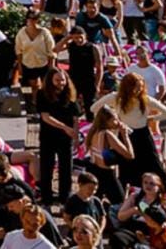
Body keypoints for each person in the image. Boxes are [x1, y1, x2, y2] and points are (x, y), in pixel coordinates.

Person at [92, 72, 166, 190]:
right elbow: (94, 108)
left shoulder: (145, 99)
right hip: (125, 135)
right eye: (136, 87)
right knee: (126, 168)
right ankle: (125, 197)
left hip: (143, 135)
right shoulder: (115, 97)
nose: (138, 90)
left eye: (141, 87)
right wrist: (111, 121)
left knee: (155, 165)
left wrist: (149, 119)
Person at [36, 68, 82, 203]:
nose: (60, 83)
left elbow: (75, 117)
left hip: (65, 138)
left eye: (62, 80)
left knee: (66, 168)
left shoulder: (70, 95)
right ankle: (46, 196)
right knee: (47, 167)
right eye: (57, 80)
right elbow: (45, 117)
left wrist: (75, 134)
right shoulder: (42, 94)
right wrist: (65, 128)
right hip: (48, 136)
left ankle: (64, 196)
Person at [79, 106, 134, 203]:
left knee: (94, 202)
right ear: (106, 121)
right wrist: (125, 136)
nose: (118, 122)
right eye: (115, 120)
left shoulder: (94, 132)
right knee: (120, 204)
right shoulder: (107, 135)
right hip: (107, 174)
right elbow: (129, 155)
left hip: (94, 170)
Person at [14, 12, 55, 92]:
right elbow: (18, 50)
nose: (32, 20)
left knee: (46, 85)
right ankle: (34, 102)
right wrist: (19, 65)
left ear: (38, 20)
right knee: (33, 86)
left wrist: (51, 66)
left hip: (43, 64)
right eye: (30, 18)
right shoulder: (21, 33)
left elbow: (51, 50)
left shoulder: (45, 32)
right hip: (28, 63)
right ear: (27, 19)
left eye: (35, 18)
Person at [65, 24, 101, 110]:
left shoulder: (92, 47)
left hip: (88, 79)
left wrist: (97, 84)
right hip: (74, 78)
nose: (79, 40)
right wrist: (67, 38)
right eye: (76, 37)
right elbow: (56, 49)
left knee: (90, 105)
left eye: (81, 37)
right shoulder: (71, 46)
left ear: (85, 36)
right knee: (72, 104)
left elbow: (100, 67)